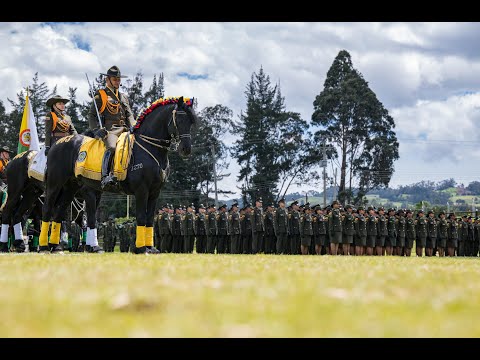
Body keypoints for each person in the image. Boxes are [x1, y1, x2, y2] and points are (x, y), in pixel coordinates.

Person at [88, 65, 135, 188]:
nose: (118, 82)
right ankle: (106, 176)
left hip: (125, 129)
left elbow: (129, 114)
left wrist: (135, 127)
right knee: (112, 147)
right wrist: (96, 130)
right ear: (107, 80)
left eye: (119, 79)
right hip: (111, 131)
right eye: (115, 79)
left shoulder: (123, 97)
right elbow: (92, 116)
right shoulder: (101, 96)